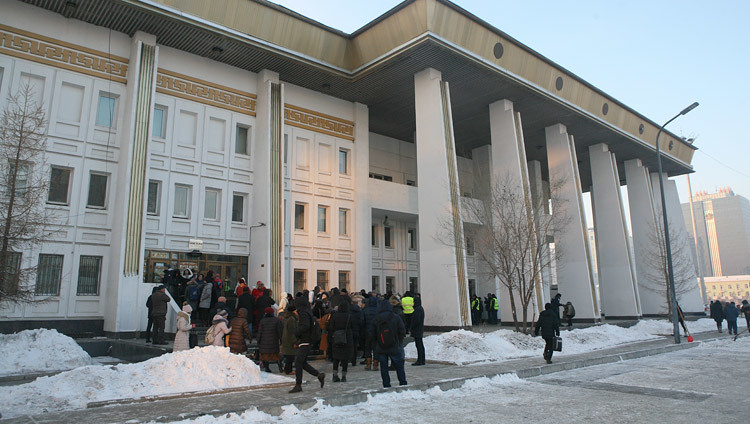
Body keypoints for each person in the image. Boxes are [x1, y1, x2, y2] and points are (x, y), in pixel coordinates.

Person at [289, 296, 325, 394]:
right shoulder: (307, 311)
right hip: (307, 339)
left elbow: (305, 326)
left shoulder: (303, 312)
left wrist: (297, 333)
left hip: (305, 339)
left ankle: (298, 385)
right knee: (302, 363)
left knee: (298, 362)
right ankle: (318, 375)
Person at [372, 299, 407, 388]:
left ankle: (386, 384)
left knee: (384, 367)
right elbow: (402, 330)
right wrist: (398, 341)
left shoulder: (376, 318)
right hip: (394, 345)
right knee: (399, 366)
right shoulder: (395, 317)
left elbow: (371, 333)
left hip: (381, 346)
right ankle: (403, 383)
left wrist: (377, 342)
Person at [329, 302, 353, 382]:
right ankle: (344, 376)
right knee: (345, 358)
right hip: (346, 338)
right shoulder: (349, 316)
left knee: (336, 358)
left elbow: (331, 327)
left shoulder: (335, 316)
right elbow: (352, 327)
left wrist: (330, 338)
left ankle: (335, 375)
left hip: (336, 338)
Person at [257, 307, 284, 372]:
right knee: (276, 355)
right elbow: (280, 331)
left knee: (265, 356)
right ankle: (280, 368)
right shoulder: (276, 320)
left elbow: (260, 332)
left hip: (264, 342)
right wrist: (281, 340)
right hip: (274, 342)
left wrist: (258, 340)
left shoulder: (262, 321)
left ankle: (267, 368)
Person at [362, 296, 380, 370]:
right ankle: (375, 365)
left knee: (367, 348)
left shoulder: (365, 311)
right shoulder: (378, 311)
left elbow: (362, 321)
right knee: (376, 348)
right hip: (376, 332)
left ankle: (368, 364)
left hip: (367, 331)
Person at [281, 305, 298, 375]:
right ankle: (288, 370)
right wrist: (294, 341)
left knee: (289, 356)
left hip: (286, 339)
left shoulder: (287, 318)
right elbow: (292, 331)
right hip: (289, 340)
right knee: (290, 356)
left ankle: (287, 369)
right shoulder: (292, 319)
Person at [410, 295, 425, 366]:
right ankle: (421, 360)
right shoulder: (420, 308)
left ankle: (420, 360)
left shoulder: (417, 310)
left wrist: (412, 327)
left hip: (417, 330)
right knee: (420, 345)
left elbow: (416, 320)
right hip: (419, 329)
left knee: (419, 345)